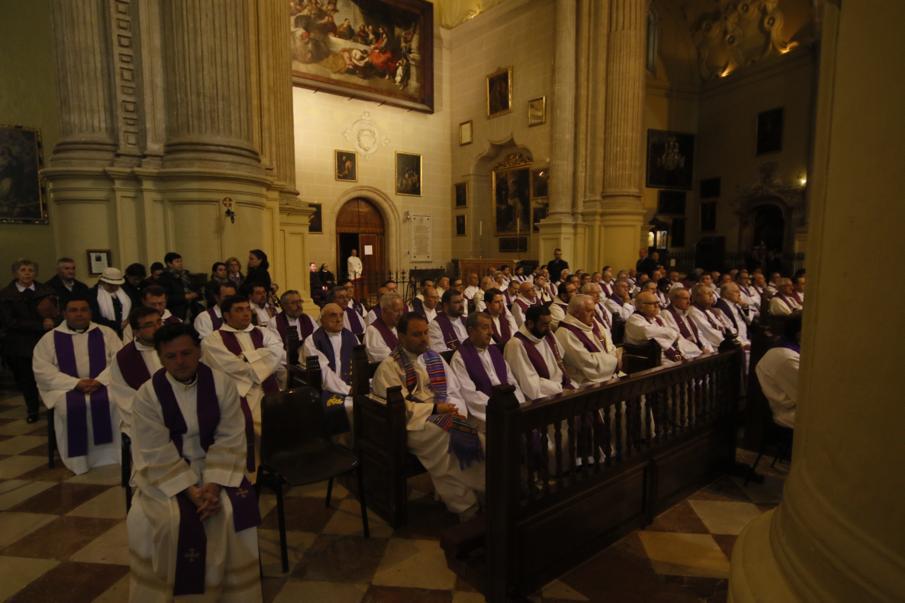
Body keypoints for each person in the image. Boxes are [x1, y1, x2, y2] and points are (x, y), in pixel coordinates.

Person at [127, 323, 261, 601]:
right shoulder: (148, 395)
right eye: (171, 356)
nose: (180, 362)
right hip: (167, 472)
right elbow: (155, 450)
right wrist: (191, 491)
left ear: (199, 351)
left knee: (232, 510)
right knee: (167, 521)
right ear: (160, 358)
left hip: (217, 468)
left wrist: (211, 487)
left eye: (186, 353)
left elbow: (230, 436)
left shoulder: (221, 384)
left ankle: (233, 594)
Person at [372, 313, 484, 519]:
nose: (424, 339)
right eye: (416, 334)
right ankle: (467, 507)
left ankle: (481, 490)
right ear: (401, 336)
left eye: (426, 333)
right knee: (447, 439)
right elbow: (399, 409)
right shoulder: (389, 367)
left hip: (437, 415)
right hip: (408, 425)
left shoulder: (434, 357)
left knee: (473, 435)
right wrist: (435, 410)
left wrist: (452, 409)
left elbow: (452, 389)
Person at [32, 295, 123, 474]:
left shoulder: (107, 333)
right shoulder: (49, 339)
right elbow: (42, 370)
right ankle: (79, 460)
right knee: (69, 408)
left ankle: (112, 455)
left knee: (114, 402)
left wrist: (99, 381)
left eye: (83, 310)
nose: (79, 314)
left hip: (104, 384)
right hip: (65, 388)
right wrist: (75, 383)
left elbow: (118, 361)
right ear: (64, 313)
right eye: (73, 310)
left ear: (90, 312)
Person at [201, 295, 284, 474]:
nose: (246, 314)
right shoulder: (212, 340)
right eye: (239, 310)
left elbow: (277, 352)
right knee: (250, 424)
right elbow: (227, 366)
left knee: (282, 419)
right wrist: (259, 360)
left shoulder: (263, 332)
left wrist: (247, 358)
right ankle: (253, 473)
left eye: (247, 309)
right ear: (226, 315)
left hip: (266, 388)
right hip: (238, 392)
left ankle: (274, 468)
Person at [0, 259, 57, 422]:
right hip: (21, 343)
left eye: (30, 270)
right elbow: (9, 322)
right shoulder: (6, 295)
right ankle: (32, 410)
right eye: (23, 270)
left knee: (49, 375)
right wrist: (40, 325)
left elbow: (56, 312)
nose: (27, 273)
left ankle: (52, 408)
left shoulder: (46, 291)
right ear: (15, 273)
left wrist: (52, 320)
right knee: (27, 379)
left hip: (45, 341)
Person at [450, 312, 525, 428]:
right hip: (485, 417)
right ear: (471, 331)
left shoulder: (495, 351)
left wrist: (518, 405)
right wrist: (502, 409)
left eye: (491, 327)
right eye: (485, 328)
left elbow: (512, 382)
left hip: (510, 410)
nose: (491, 332)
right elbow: (470, 396)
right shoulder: (460, 358)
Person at [302, 303, 359, 433]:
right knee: (341, 409)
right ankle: (340, 446)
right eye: (333, 315)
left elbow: (361, 362)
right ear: (322, 320)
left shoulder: (351, 337)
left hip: (353, 386)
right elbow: (324, 372)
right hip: (328, 389)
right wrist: (347, 389)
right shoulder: (313, 341)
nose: (339, 319)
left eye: (341, 315)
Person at [109, 306, 163, 438]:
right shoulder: (124, 358)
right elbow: (123, 396)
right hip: (147, 418)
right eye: (149, 325)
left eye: (159, 322)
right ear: (136, 332)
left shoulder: (174, 346)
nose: (158, 328)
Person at [505, 305, 573, 400]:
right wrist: (559, 389)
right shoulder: (516, 345)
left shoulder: (546, 335)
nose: (549, 328)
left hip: (562, 388)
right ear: (530, 323)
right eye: (545, 324)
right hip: (545, 398)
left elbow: (561, 361)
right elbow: (529, 384)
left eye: (549, 323)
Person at [555, 294, 620, 385]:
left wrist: (611, 355)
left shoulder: (592, 324)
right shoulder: (566, 333)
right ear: (576, 313)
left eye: (594, 310)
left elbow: (609, 344)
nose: (593, 314)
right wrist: (615, 359)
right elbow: (588, 364)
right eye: (589, 311)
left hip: (606, 374)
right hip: (586, 382)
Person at [756, 314, 801, 429]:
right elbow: (806, 394)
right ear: (799, 333)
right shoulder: (786, 358)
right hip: (790, 414)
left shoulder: (791, 350)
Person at [625, 291, 688, 365]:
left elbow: (674, 334)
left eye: (657, 303)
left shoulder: (658, 317)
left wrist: (672, 334)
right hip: (649, 359)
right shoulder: (634, 319)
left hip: (667, 354)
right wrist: (671, 333)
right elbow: (648, 332)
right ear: (641, 306)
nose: (657, 306)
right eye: (653, 303)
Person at [661, 287, 711, 359]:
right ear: (674, 300)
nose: (688, 302)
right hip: (686, 354)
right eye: (685, 299)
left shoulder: (686, 312)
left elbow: (698, 334)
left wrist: (704, 347)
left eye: (689, 298)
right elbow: (677, 338)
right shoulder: (667, 314)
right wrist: (698, 352)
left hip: (698, 352)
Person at [687, 283, 734, 350]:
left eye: (712, 293)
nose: (711, 295)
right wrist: (731, 341)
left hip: (727, 342)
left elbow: (729, 326)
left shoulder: (711, 310)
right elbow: (710, 334)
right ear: (697, 297)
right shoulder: (693, 311)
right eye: (707, 293)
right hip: (716, 347)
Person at [157, 252, 201, 321]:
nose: (180, 264)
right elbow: (166, 297)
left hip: (191, 310)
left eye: (181, 261)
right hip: (176, 311)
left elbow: (197, 288)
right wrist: (185, 297)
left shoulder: (186, 275)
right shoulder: (164, 278)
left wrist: (195, 293)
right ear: (169, 263)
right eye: (177, 261)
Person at [90, 267, 132, 339]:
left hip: (125, 331)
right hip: (103, 331)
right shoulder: (93, 294)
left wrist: (127, 320)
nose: (114, 287)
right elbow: (94, 316)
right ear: (103, 282)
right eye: (111, 285)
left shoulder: (125, 292)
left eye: (117, 285)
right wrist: (117, 325)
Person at [364, 292, 404, 363]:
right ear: (384, 311)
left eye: (402, 310)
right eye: (397, 311)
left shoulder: (396, 327)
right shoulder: (373, 331)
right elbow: (385, 360)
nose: (401, 314)